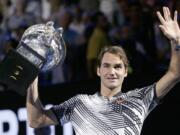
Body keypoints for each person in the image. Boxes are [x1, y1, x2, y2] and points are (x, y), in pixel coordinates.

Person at [26, 7, 180, 135]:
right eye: (106, 66)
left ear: (126, 71)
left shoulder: (140, 98)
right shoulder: (79, 103)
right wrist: (32, 71)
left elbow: (175, 74)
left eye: (117, 66)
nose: (111, 71)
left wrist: (176, 41)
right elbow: (36, 120)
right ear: (98, 70)